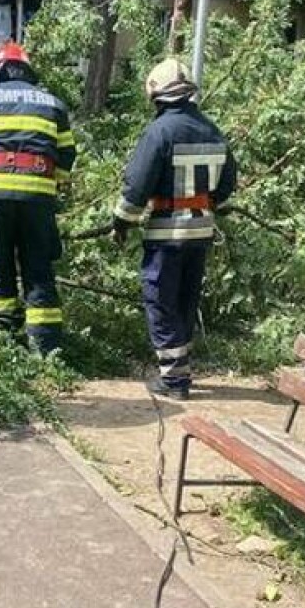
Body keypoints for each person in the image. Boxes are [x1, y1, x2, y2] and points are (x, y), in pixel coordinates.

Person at [113, 58, 236, 398]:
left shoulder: (160, 131)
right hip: (201, 233)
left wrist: (121, 221)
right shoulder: (212, 129)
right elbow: (226, 185)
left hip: (167, 235)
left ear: (157, 95)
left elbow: (137, 185)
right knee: (185, 299)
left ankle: (174, 380)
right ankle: (181, 370)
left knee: (160, 300)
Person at [0, 41, 76, 354]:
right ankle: (46, 352)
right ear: (28, 70)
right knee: (39, 272)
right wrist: (49, 187)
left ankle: (5, 347)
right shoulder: (53, 105)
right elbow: (67, 157)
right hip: (37, 199)